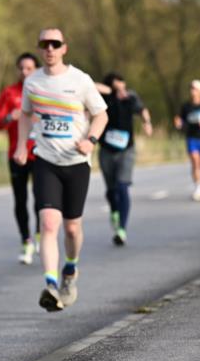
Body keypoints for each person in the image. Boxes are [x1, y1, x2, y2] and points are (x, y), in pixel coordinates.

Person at [14, 28, 108, 312]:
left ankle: (70, 268)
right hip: (46, 161)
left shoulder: (80, 80)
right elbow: (25, 115)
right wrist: (21, 145)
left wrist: (91, 140)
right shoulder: (32, 81)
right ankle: (51, 285)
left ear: (64, 48)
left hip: (76, 163)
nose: (50, 49)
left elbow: (101, 115)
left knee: (72, 227)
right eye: (45, 44)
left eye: (55, 44)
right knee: (48, 224)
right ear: (40, 48)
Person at [0, 52, 40, 264]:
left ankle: (41, 234)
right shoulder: (10, 93)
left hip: (41, 153)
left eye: (29, 68)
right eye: (21, 68)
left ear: (37, 70)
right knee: (20, 200)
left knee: (42, 197)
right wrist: (10, 117)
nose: (24, 72)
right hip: (17, 154)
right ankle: (26, 240)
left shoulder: (45, 90)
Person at [95, 73, 153, 245]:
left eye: (123, 86)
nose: (122, 90)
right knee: (111, 190)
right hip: (106, 150)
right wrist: (110, 91)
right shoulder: (102, 99)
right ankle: (114, 210)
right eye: (117, 87)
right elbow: (89, 84)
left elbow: (142, 109)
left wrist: (147, 123)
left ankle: (121, 229)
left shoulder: (130, 97)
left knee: (122, 187)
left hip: (126, 149)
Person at [173, 79, 200, 201]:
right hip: (191, 137)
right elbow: (180, 119)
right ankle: (198, 188)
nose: (192, 91)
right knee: (195, 161)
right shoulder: (186, 106)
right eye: (191, 88)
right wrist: (178, 122)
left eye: (195, 89)